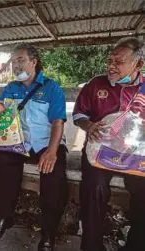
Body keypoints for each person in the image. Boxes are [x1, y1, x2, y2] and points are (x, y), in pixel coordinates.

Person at [0, 44, 68, 251]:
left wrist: (52, 151)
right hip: (19, 141)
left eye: (20, 60)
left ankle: (48, 231)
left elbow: (58, 122)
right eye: (13, 62)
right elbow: (0, 105)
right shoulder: (12, 87)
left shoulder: (51, 87)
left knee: (52, 175)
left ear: (34, 61)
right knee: (1, 164)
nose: (15, 65)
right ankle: (3, 217)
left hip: (47, 142)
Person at [73, 37, 145, 251]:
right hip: (100, 152)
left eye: (119, 61)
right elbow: (78, 114)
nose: (111, 66)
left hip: (135, 155)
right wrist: (89, 126)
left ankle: (136, 244)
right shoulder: (96, 84)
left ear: (138, 64)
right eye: (110, 60)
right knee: (94, 188)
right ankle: (91, 245)